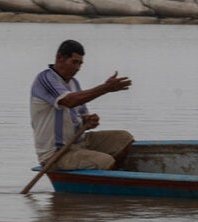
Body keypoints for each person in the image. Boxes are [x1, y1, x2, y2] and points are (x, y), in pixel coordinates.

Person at [30, 40, 134, 170]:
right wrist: (105, 88)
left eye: (80, 63)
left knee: (124, 138)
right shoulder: (45, 79)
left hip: (80, 141)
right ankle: (110, 178)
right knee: (105, 161)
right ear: (59, 58)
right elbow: (70, 101)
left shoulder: (74, 83)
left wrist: (89, 120)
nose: (77, 68)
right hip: (57, 154)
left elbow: (82, 116)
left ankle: (113, 176)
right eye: (74, 62)